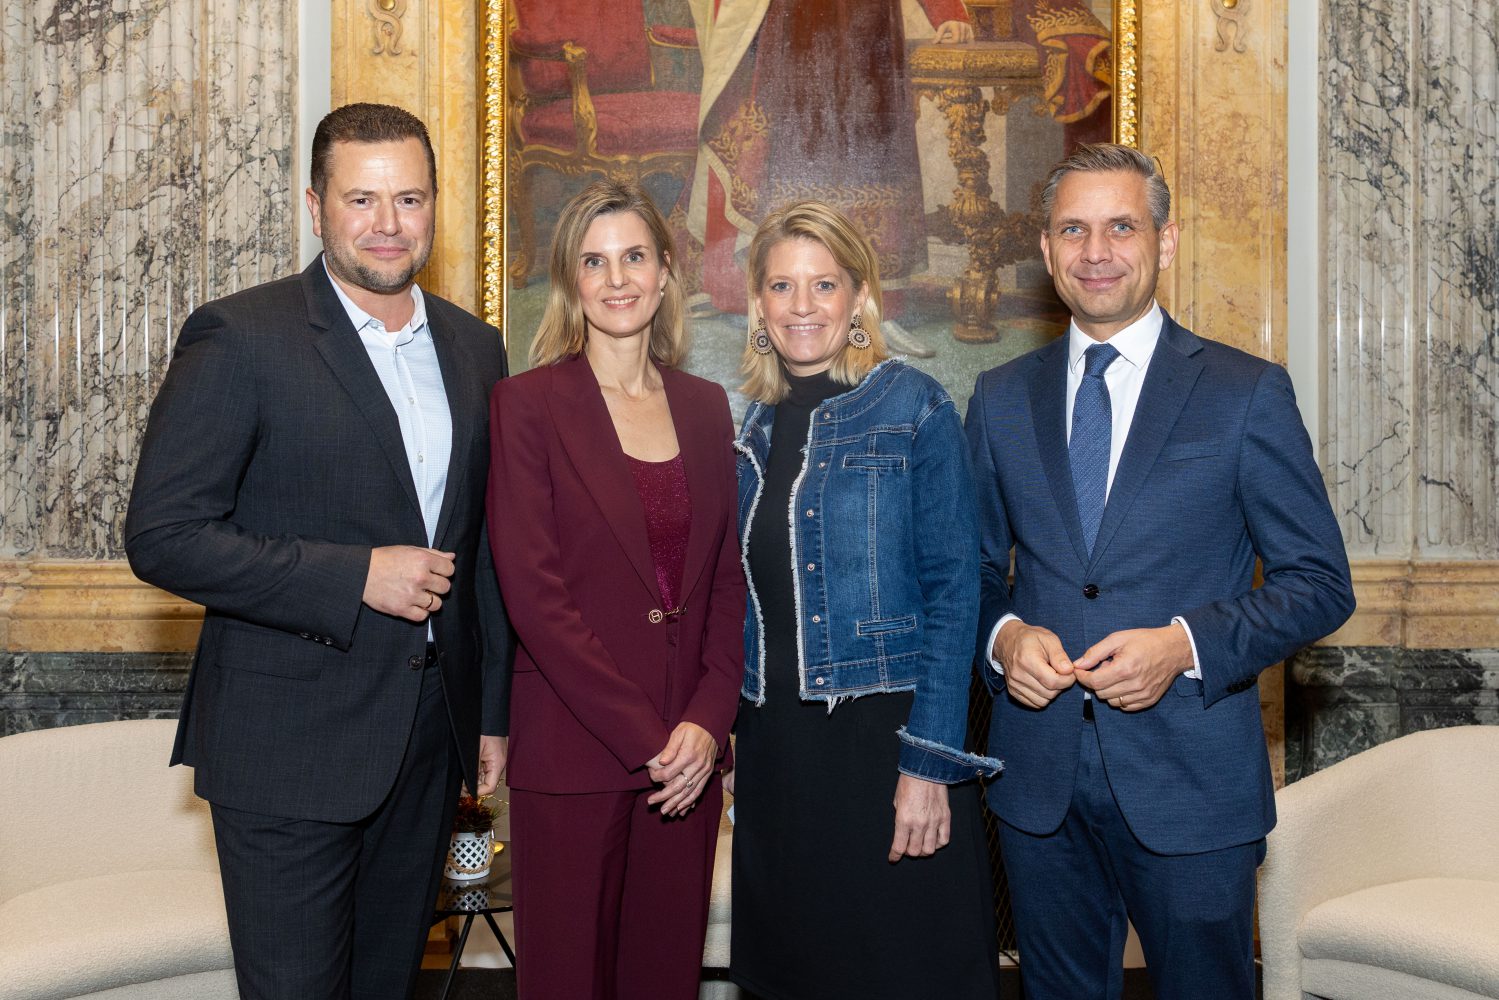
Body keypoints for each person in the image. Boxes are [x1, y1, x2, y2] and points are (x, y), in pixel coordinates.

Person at [124, 103, 512, 1000]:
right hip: (284, 745)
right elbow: (163, 536)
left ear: (434, 206)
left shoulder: (475, 348)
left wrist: (490, 714)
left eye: (409, 199)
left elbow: (485, 546)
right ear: (314, 207)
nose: (388, 224)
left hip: (428, 743)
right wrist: (355, 575)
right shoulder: (241, 336)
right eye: (360, 199)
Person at [964, 143, 1355, 999]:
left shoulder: (1244, 392)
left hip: (1192, 783)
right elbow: (971, 573)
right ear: (1046, 250)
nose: (1095, 251)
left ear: (1164, 242)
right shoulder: (998, 398)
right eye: (1073, 230)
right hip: (1038, 783)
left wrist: (1183, 646)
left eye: (1121, 227)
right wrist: (1004, 636)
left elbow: (1321, 582)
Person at [727, 201, 1002, 1000]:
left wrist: (928, 762)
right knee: (795, 977)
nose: (802, 305)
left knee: (905, 973)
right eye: (781, 285)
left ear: (858, 298)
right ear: (758, 303)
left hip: (886, 747)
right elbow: (742, 598)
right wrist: (733, 739)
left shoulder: (913, 406)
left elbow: (955, 591)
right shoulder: (750, 429)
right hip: (778, 755)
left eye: (824, 284)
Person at [486, 180, 745, 1000]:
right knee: (567, 981)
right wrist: (648, 738)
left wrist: (706, 723)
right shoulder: (526, 406)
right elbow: (535, 597)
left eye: (633, 256)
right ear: (571, 281)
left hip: (687, 762)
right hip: (575, 749)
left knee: (661, 980)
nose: (617, 278)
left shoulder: (706, 408)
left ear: (666, 271)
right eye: (594, 262)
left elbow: (727, 584)